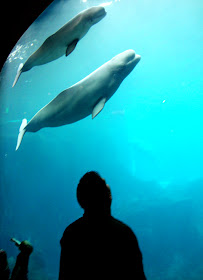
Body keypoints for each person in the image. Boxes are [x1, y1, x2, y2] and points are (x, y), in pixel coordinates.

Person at [59, 171, 147, 279]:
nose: (108, 185)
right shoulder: (124, 233)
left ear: (80, 200)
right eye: (105, 184)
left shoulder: (71, 234)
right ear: (108, 196)